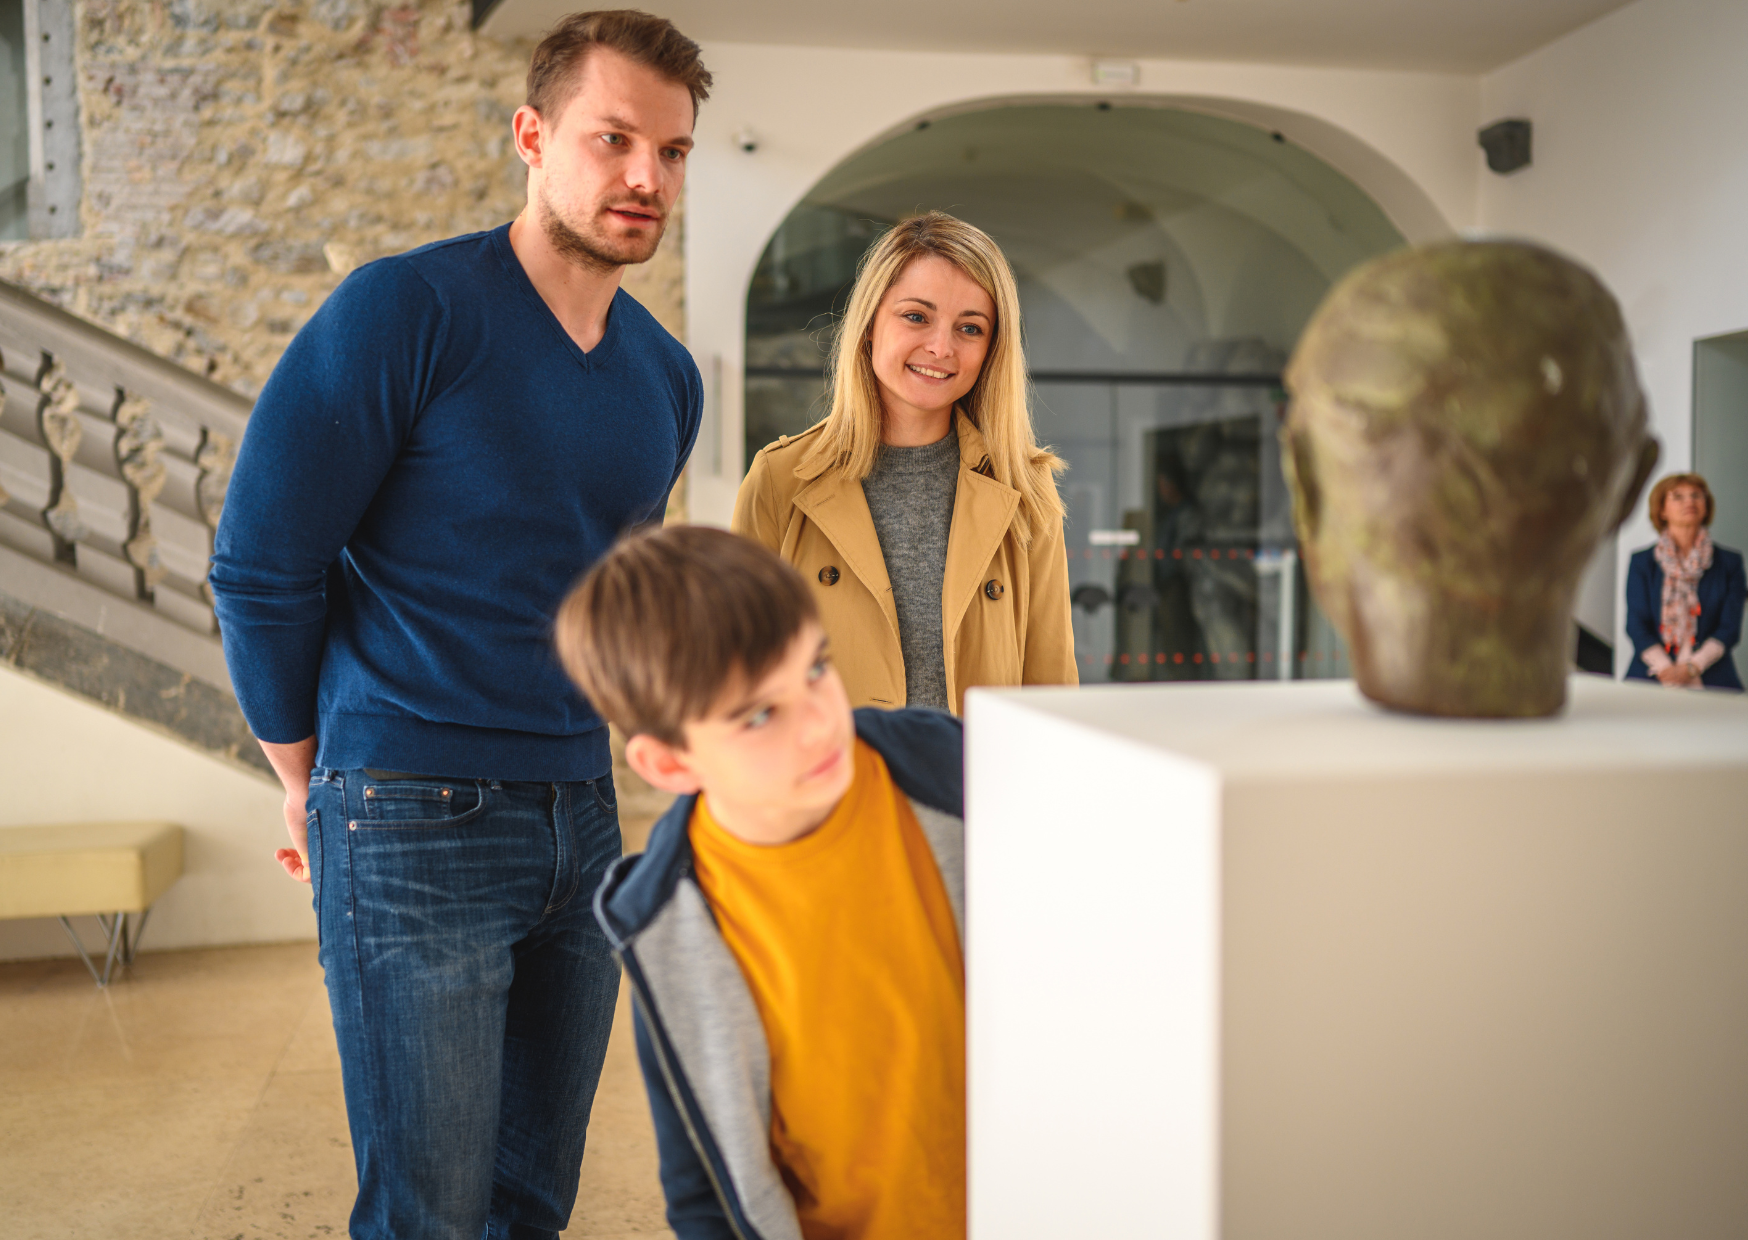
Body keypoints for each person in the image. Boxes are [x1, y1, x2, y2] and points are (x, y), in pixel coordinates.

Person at [206, 13, 709, 1238]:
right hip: (406, 811)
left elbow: (609, 605)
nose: (645, 176)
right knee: (426, 1210)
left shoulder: (664, 376)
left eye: (674, 151)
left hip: (582, 818)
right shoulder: (405, 311)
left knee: (531, 1201)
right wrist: (305, 778)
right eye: (613, 139)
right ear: (532, 138)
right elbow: (262, 563)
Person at [555, 525, 967, 1240]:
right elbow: (702, 1190)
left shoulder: (951, 768)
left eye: (815, 669)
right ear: (672, 764)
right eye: (760, 714)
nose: (817, 724)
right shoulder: (665, 930)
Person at [732, 211, 1075, 713]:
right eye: (916, 316)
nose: (941, 347)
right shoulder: (781, 480)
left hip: (973, 787)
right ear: (870, 324)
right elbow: (737, 677)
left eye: (970, 328)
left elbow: (1052, 691)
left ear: (991, 350)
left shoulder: (1026, 489)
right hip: (832, 786)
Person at [1625, 472, 1745, 690]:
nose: (1689, 501)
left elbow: (1729, 628)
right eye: (1678, 497)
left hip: (1713, 678)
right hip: (1652, 676)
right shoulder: (1642, 562)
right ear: (1661, 510)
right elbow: (1636, 624)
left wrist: (1692, 667)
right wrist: (1665, 669)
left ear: (1706, 506)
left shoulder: (1729, 563)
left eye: (1697, 495)